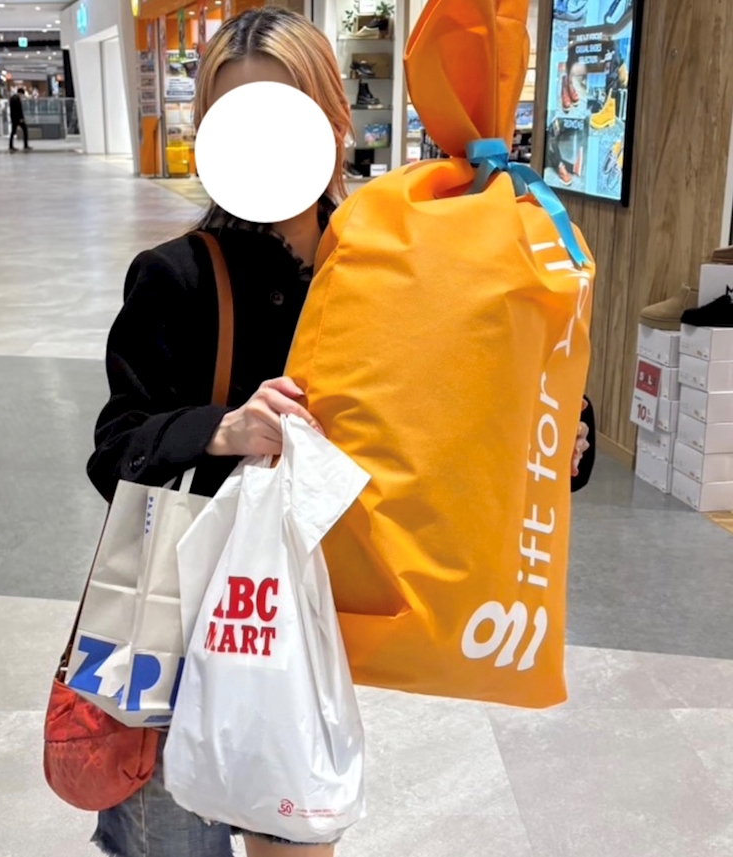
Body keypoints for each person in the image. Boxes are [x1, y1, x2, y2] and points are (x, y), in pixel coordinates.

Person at [86, 9, 596, 856]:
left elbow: (465, 409)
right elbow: (117, 448)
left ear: (334, 119)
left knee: (294, 834)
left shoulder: (401, 262)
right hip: (198, 616)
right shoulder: (178, 277)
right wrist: (226, 429)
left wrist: (555, 437)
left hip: (315, 630)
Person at [9, 87, 30, 152]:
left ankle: (11, 146)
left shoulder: (12, 98)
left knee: (13, 132)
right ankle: (25, 145)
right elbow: (18, 110)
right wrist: (21, 118)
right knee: (25, 129)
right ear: (20, 93)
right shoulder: (17, 99)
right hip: (18, 118)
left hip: (14, 118)